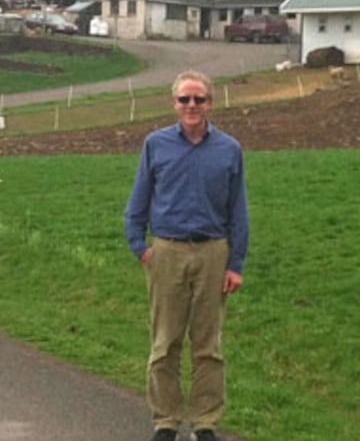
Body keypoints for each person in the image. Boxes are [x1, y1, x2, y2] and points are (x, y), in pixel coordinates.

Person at [124, 70, 250, 441]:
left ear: (211, 103)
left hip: (213, 252)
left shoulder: (229, 149)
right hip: (167, 252)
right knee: (165, 343)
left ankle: (205, 423)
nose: (192, 106)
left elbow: (237, 211)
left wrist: (235, 263)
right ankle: (165, 421)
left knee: (208, 346)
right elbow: (138, 201)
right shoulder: (156, 144)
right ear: (174, 103)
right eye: (185, 99)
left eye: (199, 99)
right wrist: (140, 247)